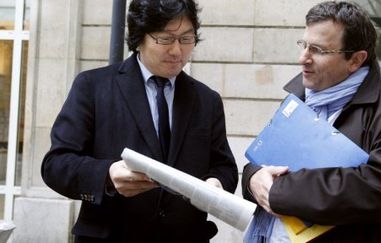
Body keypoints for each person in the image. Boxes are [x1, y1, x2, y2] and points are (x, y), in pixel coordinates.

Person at [41, 0, 238, 242]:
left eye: (186, 39)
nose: (177, 51)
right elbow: (56, 165)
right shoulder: (93, 87)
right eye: (165, 39)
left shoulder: (207, 100)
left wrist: (215, 185)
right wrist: (107, 175)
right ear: (139, 37)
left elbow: (224, 167)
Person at [242, 1, 381, 242]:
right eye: (304, 45)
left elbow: (380, 190)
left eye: (318, 50)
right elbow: (263, 159)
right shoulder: (299, 95)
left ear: (355, 60)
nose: (303, 58)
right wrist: (253, 179)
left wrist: (277, 191)